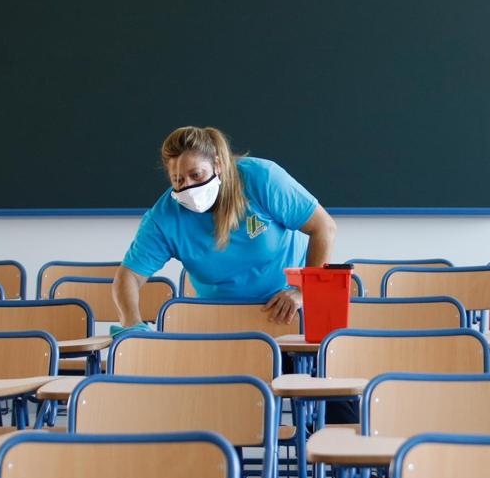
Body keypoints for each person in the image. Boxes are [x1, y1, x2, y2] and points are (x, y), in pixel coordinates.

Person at [112, 126, 337, 333]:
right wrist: (132, 325)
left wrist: (304, 292)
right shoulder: (164, 218)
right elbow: (129, 275)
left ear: (217, 165)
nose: (188, 187)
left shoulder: (262, 179)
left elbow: (323, 228)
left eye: (196, 174)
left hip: (285, 312)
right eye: (178, 180)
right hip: (218, 321)